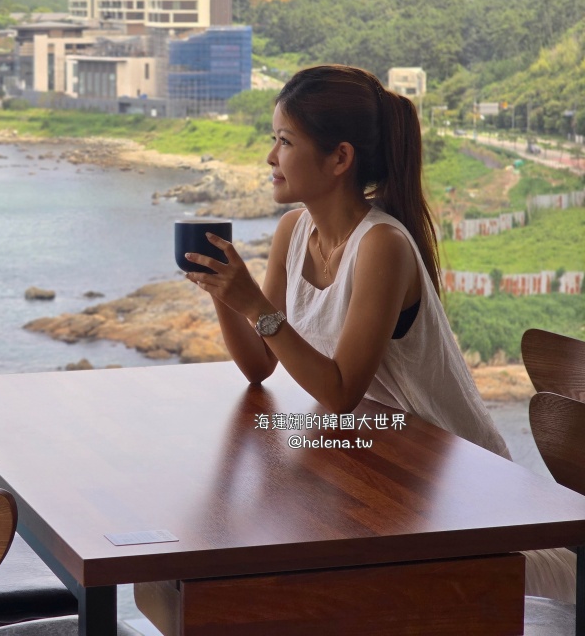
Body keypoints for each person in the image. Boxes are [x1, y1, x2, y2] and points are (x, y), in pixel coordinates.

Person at [183, 64, 575, 603]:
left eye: (284, 141)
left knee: (311, 580)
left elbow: (340, 393)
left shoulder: (382, 246)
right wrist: (227, 296)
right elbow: (259, 365)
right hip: (381, 463)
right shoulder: (295, 231)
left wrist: (254, 302)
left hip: (467, 495)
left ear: (340, 158)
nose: (270, 157)